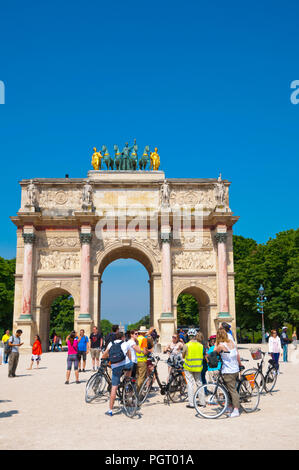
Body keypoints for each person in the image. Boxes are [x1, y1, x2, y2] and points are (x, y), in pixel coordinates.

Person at [214, 328, 243, 418]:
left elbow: (213, 352)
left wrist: (216, 342)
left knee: (232, 391)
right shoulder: (232, 342)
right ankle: (230, 406)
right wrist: (240, 364)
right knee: (229, 389)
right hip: (235, 369)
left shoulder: (221, 346)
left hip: (228, 371)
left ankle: (236, 409)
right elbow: (237, 354)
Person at [102, 331, 133, 416]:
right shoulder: (125, 344)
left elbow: (104, 355)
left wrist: (109, 358)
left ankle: (110, 410)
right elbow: (129, 356)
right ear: (123, 337)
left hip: (115, 367)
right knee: (130, 365)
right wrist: (129, 362)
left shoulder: (110, 344)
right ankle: (127, 381)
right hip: (125, 364)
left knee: (114, 388)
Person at [182, 328, 205, 409]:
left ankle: (191, 403)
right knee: (199, 384)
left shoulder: (186, 345)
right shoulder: (201, 345)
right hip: (198, 367)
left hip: (188, 367)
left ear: (188, 336)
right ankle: (202, 402)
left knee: (190, 384)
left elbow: (183, 355)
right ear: (195, 336)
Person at [136, 326, 149, 391]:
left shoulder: (136, 339)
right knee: (141, 377)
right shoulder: (144, 339)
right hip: (142, 360)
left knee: (136, 377)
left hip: (135, 360)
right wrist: (148, 352)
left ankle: (133, 390)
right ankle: (137, 392)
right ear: (144, 332)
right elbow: (144, 351)